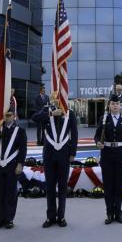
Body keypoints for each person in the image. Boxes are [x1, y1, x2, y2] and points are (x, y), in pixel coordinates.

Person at [33, 97, 78, 228]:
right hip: (49, 154)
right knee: (50, 186)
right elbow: (34, 117)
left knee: (63, 186)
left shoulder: (70, 113)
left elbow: (74, 133)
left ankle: (61, 216)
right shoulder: (47, 110)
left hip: (64, 154)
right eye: (56, 98)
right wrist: (51, 113)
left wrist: (72, 153)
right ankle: (50, 216)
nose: (58, 100)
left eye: (60, 98)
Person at [95, 94, 122, 224]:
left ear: (120, 105)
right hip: (107, 155)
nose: (115, 106)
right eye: (113, 104)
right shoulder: (103, 119)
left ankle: (118, 213)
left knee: (119, 185)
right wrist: (97, 143)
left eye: (117, 104)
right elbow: (97, 136)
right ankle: (109, 213)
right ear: (109, 105)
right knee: (108, 185)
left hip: (121, 155)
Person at [0, 107, 27, 229]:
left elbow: (23, 149)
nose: (7, 117)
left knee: (11, 192)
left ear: (14, 116)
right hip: (0, 164)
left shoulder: (20, 131)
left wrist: (20, 164)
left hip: (13, 164)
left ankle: (9, 219)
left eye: (10, 115)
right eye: (6, 115)